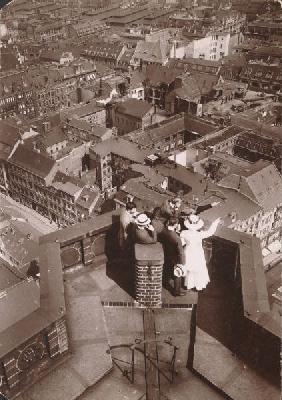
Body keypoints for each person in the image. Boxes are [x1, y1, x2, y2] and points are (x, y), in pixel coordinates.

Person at [180, 215, 222, 291]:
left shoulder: (184, 233)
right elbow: (210, 232)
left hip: (188, 251)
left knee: (190, 268)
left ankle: (189, 284)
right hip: (197, 252)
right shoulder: (199, 234)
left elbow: (181, 243)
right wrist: (215, 222)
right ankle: (198, 286)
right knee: (198, 268)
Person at [160, 217, 185, 296]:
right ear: (176, 225)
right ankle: (176, 291)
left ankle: (165, 282)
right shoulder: (176, 238)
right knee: (178, 273)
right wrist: (182, 262)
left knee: (167, 269)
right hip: (175, 257)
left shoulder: (164, 230)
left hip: (167, 254)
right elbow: (180, 251)